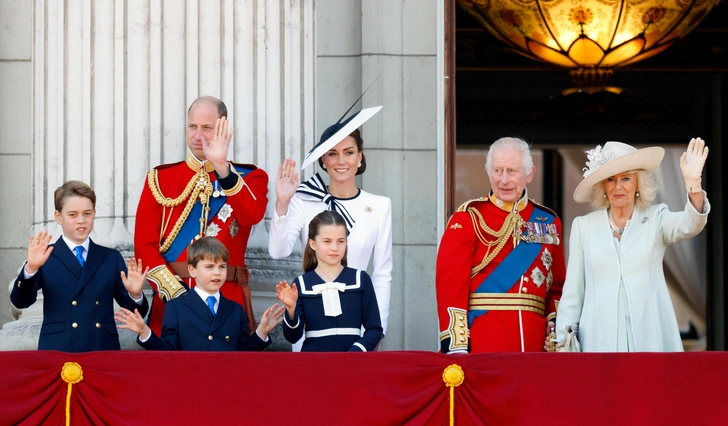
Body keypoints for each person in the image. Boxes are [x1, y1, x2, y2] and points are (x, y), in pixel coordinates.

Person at [555, 138, 710, 352]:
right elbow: (573, 292)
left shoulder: (656, 218)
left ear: (638, 183)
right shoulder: (584, 226)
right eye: (611, 179)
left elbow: (689, 224)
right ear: (603, 186)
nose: (618, 186)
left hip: (650, 340)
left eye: (626, 178)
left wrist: (693, 186)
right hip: (598, 342)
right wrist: (564, 343)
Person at [135, 96, 268, 337]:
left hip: (226, 301)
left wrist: (222, 170)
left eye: (206, 128)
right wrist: (176, 295)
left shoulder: (250, 178)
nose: (197, 136)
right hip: (172, 302)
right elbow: (144, 246)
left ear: (222, 129)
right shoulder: (159, 179)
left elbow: (252, 215)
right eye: (192, 126)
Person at [269, 103, 392, 350]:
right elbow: (277, 252)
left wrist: (377, 332)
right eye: (332, 153)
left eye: (348, 152)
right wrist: (282, 202)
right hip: (310, 323)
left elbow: (382, 274)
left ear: (360, 157)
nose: (341, 161)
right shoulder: (303, 200)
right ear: (323, 160)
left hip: (358, 326)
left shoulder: (379, 206)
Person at [435, 137, 565, 353]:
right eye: (497, 170)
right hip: (483, 342)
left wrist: (554, 330)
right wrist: (456, 345)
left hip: (534, 346)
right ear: (489, 172)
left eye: (512, 171)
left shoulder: (549, 222)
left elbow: (557, 288)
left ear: (529, 174)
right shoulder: (469, 218)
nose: (504, 180)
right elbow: (450, 286)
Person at [10, 181, 149, 352]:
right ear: (58, 216)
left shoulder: (111, 257)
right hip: (59, 349)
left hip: (101, 347)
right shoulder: (45, 256)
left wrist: (135, 295)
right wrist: (30, 269)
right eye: (73, 215)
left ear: (94, 214)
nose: (81, 221)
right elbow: (20, 302)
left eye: (87, 213)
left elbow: (135, 314)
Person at [116, 237, 284, 351]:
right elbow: (167, 353)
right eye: (209, 267)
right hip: (190, 386)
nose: (217, 273)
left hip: (226, 387)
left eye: (222, 267)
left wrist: (261, 331)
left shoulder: (235, 309)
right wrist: (145, 332)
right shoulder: (176, 307)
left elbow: (243, 355)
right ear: (192, 270)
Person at [275, 211, 383, 352]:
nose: (335, 248)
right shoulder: (301, 284)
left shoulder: (360, 279)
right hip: (314, 366)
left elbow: (375, 329)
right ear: (313, 244)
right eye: (327, 241)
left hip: (353, 366)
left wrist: (355, 354)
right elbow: (293, 337)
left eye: (341, 241)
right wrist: (291, 309)